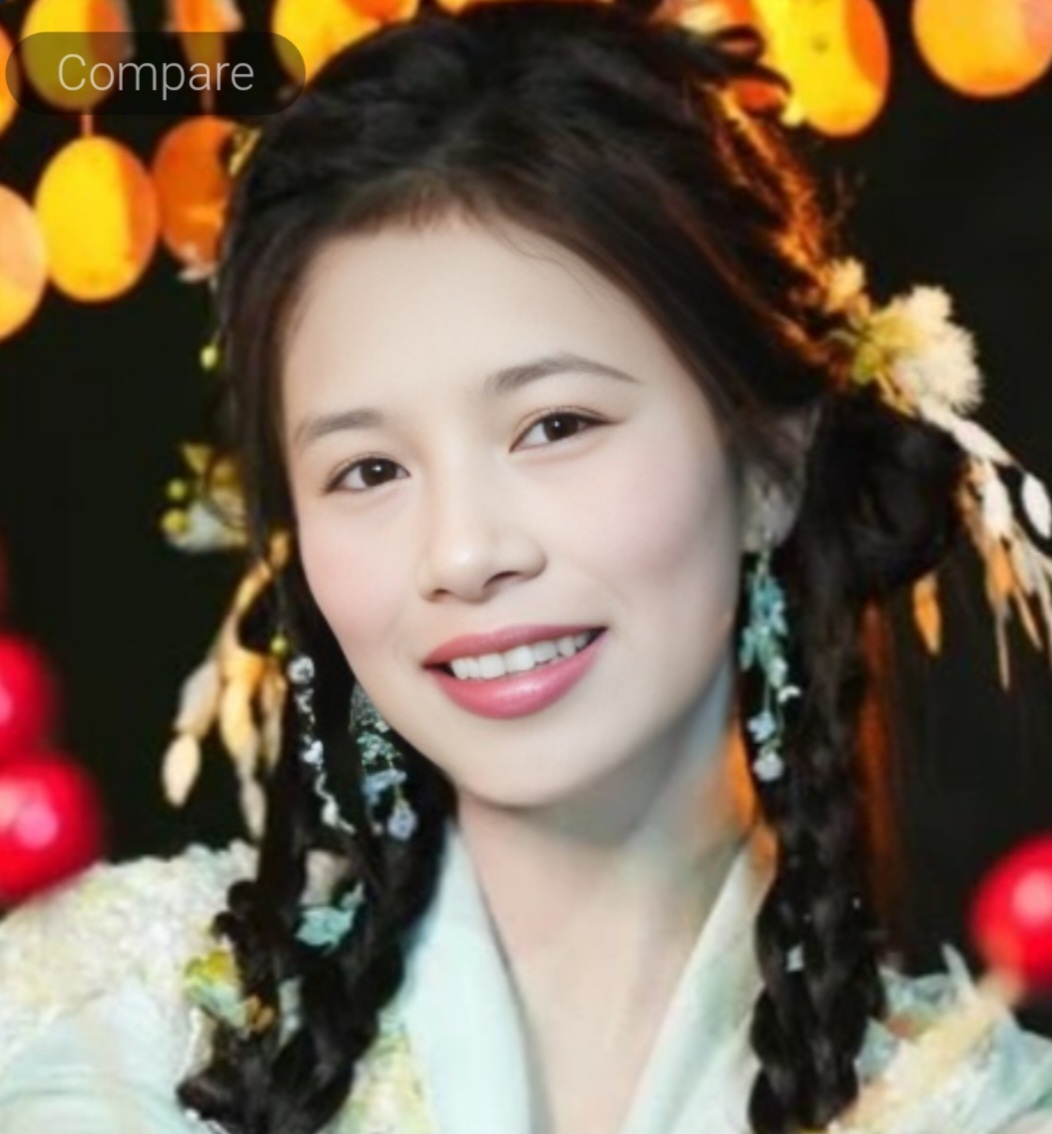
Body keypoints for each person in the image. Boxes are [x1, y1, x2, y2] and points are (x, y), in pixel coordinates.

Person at [2, 1, 1052, 1132]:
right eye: (367, 470)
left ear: (766, 469)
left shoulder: (974, 1109)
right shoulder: (120, 1022)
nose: (462, 554)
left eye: (555, 426)